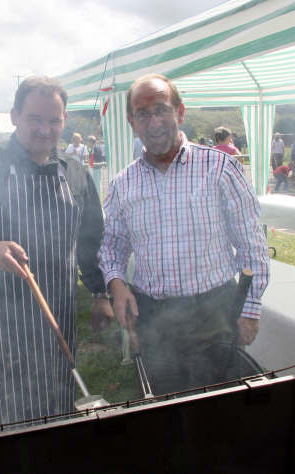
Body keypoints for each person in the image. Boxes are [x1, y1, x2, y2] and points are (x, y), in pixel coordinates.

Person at [0, 76, 113, 429]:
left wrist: (99, 292)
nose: (45, 130)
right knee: (0, 423)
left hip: (57, 315)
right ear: (15, 116)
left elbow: (92, 240)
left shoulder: (75, 173)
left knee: (53, 412)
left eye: (54, 121)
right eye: (35, 119)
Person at [99, 73, 269, 396]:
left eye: (162, 109)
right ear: (131, 122)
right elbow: (111, 247)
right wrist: (117, 284)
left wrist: (249, 310)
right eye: (143, 114)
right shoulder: (123, 184)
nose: (154, 122)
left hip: (213, 313)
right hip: (153, 318)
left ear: (180, 112)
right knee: (165, 411)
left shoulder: (220, 169)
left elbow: (252, 247)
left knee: (220, 411)